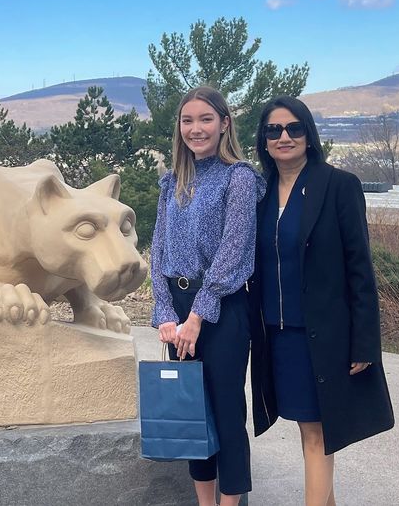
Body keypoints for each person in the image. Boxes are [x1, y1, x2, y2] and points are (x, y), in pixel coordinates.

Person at [249, 96, 394, 506]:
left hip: (323, 337)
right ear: (263, 139)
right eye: (274, 130)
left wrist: (365, 342)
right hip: (278, 336)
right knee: (308, 430)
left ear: (309, 135)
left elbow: (360, 270)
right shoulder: (259, 194)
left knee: (317, 434)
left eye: (294, 128)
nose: (284, 137)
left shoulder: (338, 185)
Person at [150, 86, 265, 506]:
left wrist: (197, 316)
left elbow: (233, 250)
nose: (195, 129)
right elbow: (157, 250)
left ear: (224, 124)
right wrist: (165, 312)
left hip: (221, 311)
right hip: (178, 312)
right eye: (187, 121)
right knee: (191, 414)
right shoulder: (172, 183)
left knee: (227, 414)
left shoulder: (239, 178)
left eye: (205, 119)